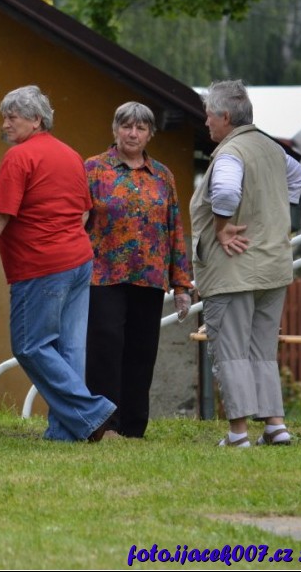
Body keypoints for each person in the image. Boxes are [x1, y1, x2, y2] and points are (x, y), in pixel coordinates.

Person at [0, 85, 116, 442]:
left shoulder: (19, 157)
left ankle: (93, 412)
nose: (5, 123)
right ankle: (66, 431)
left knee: (30, 346)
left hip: (41, 265)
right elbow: (82, 212)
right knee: (69, 349)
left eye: (12, 116)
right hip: (78, 261)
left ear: (36, 120)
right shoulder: (70, 155)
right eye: (5, 116)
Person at [190, 80, 301, 448]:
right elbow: (298, 177)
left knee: (231, 350)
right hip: (273, 265)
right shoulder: (272, 148)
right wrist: (271, 215)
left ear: (225, 116)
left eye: (209, 115)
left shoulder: (230, 152)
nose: (206, 122)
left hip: (234, 268)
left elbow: (224, 192)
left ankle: (238, 433)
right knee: (262, 349)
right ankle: (275, 426)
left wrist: (223, 227)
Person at [83, 102, 193, 438]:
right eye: (127, 126)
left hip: (149, 277)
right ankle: (104, 425)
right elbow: (77, 223)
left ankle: (133, 426)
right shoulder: (93, 170)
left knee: (141, 351)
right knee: (105, 348)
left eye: (141, 128)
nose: (133, 133)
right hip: (103, 275)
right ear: (115, 130)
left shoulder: (162, 175)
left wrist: (182, 285)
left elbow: (175, 227)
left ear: (149, 134)